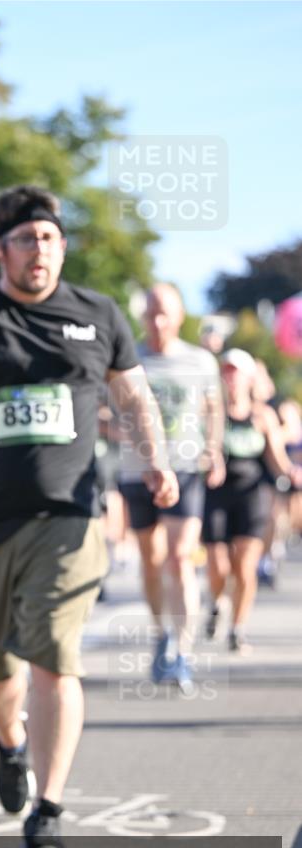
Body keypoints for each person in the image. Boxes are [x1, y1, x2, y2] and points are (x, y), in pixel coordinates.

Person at [0, 185, 178, 848]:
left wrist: (155, 458)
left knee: (52, 655)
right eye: (23, 239)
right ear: (1, 249)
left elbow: (133, 397)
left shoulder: (98, 313)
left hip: (69, 514)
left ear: (62, 247)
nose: (37, 250)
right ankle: (9, 740)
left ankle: (48, 807)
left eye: (47, 238)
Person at [118, 284, 225, 690]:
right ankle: (161, 631)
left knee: (180, 559)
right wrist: (124, 433)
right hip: (137, 471)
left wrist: (214, 449)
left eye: (165, 313)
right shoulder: (128, 359)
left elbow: (213, 409)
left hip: (185, 468)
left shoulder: (200, 361)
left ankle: (182, 650)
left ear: (180, 317)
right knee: (151, 560)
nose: (158, 321)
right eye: (151, 314)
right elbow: (105, 411)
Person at [203, 349, 302, 652]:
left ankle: (238, 628)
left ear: (248, 378)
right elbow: (201, 449)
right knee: (219, 564)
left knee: (245, 566)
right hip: (216, 494)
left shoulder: (262, 416)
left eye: (236, 373)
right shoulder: (212, 412)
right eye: (226, 372)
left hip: (252, 495)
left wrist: (292, 473)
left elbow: (276, 457)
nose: (231, 379)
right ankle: (218, 601)